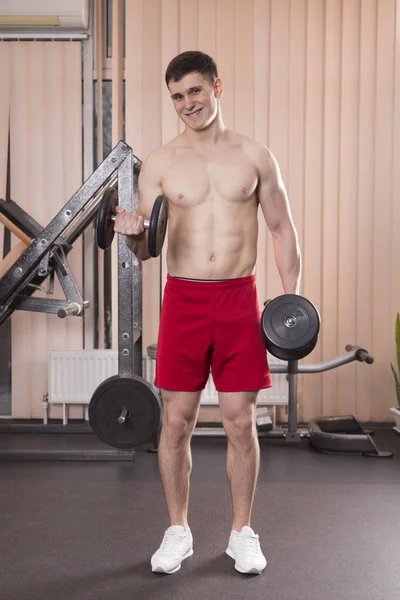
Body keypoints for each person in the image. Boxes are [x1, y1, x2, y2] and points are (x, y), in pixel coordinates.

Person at [114, 51, 301, 575]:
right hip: (185, 299)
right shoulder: (160, 162)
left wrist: (292, 302)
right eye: (177, 96)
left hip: (239, 297)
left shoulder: (254, 155)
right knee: (174, 424)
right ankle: (178, 530)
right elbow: (146, 249)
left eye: (195, 91)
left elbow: (282, 229)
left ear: (217, 86)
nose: (187, 104)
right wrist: (132, 239)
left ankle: (243, 531)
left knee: (242, 423)